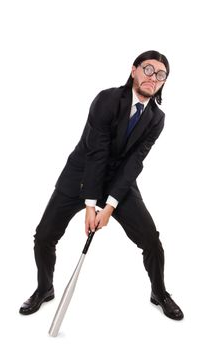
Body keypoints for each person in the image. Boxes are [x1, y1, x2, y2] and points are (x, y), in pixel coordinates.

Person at [19, 50, 184, 321]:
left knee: (151, 241)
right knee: (45, 235)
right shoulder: (107, 99)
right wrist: (91, 205)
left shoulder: (157, 118)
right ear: (134, 70)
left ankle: (159, 292)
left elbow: (134, 163)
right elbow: (97, 153)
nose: (153, 78)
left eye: (161, 75)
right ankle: (44, 288)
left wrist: (110, 205)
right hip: (81, 174)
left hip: (119, 182)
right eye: (148, 70)